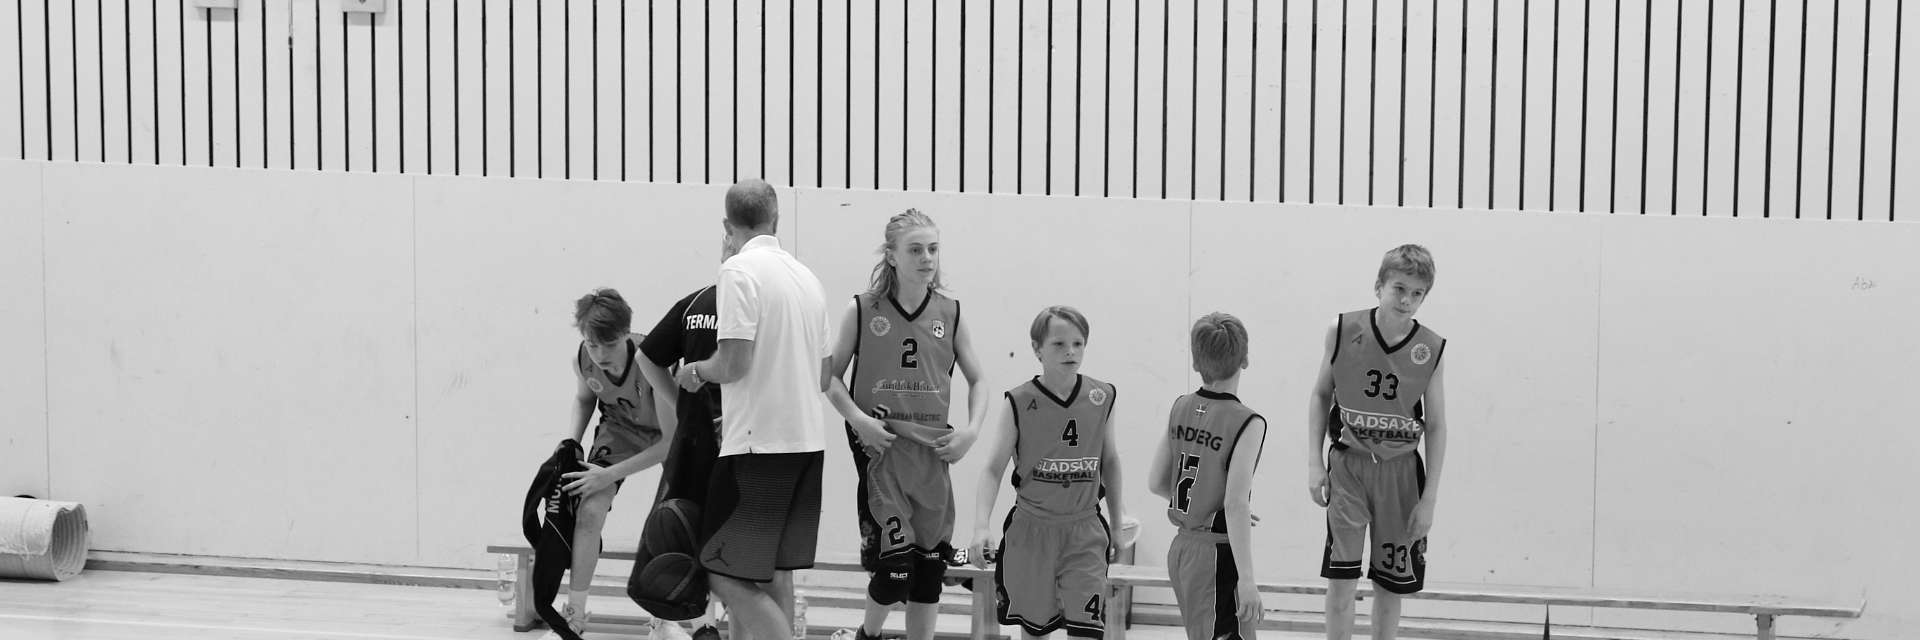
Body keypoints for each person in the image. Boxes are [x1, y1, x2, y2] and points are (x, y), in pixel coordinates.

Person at [674, 179, 834, 640]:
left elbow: (733, 363)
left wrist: (694, 371)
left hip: (758, 448)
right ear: (776, 219)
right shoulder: (808, 278)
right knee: (775, 573)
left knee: (721, 572)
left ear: (727, 226)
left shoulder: (738, 271)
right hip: (807, 444)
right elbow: (824, 376)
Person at [823, 210, 991, 640]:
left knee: (929, 569)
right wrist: (859, 420)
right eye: (915, 249)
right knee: (896, 568)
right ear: (892, 256)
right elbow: (830, 378)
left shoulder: (950, 313)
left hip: (931, 452)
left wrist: (971, 431)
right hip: (881, 449)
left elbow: (979, 381)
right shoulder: (863, 309)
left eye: (933, 249)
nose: (927, 258)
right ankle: (867, 635)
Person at [1306, 245, 1450, 640]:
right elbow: (1321, 394)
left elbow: (1437, 426)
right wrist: (1314, 461)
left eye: (1417, 293)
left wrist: (1429, 498)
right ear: (1379, 286)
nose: (1406, 300)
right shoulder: (1342, 329)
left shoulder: (1430, 349)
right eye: (1399, 288)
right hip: (1348, 467)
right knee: (1341, 582)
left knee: (1389, 586)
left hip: (1401, 474)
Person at [968, 306, 1135, 640]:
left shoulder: (1102, 396)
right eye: (1059, 344)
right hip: (1032, 531)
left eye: (1078, 343)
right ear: (1037, 349)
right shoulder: (1018, 401)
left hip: (1084, 531)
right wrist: (981, 526)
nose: (1070, 351)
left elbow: (1111, 462)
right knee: (1035, 632)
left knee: (1087, 631)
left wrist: (1117, 524)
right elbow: (992, 469)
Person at [632, 229, 750, 640]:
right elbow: (646, 356)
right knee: (731, 552)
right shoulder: (755, 307)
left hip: (698, 442)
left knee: (695, 537)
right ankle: (708, 626)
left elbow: (646, 357)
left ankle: (702, 625)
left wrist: (684, 409)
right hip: (738, 443)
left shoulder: (695, 302)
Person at [548, 289, 676, 640]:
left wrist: (609, 474)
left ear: (625, 333)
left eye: (610, 344)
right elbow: (584, 399)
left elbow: (669, 442)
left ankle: (666, 619)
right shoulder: (583, 358)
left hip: (669, 434)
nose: (601, 354)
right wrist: (570, 442)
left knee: (672, 521)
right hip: (620, 429)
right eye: (593, 344)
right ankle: (574, 616)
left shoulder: (654, 359)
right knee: (589, 510)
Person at [1147, 313, 1267, 640]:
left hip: (1182, 550)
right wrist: (1247, 580)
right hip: (1216, 556)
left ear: (1196, 363)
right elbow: (1236, 504)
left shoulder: (1180, 406)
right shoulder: (1248, 421)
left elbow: (1157, 482)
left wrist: (1203, 504)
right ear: (1245, 358)